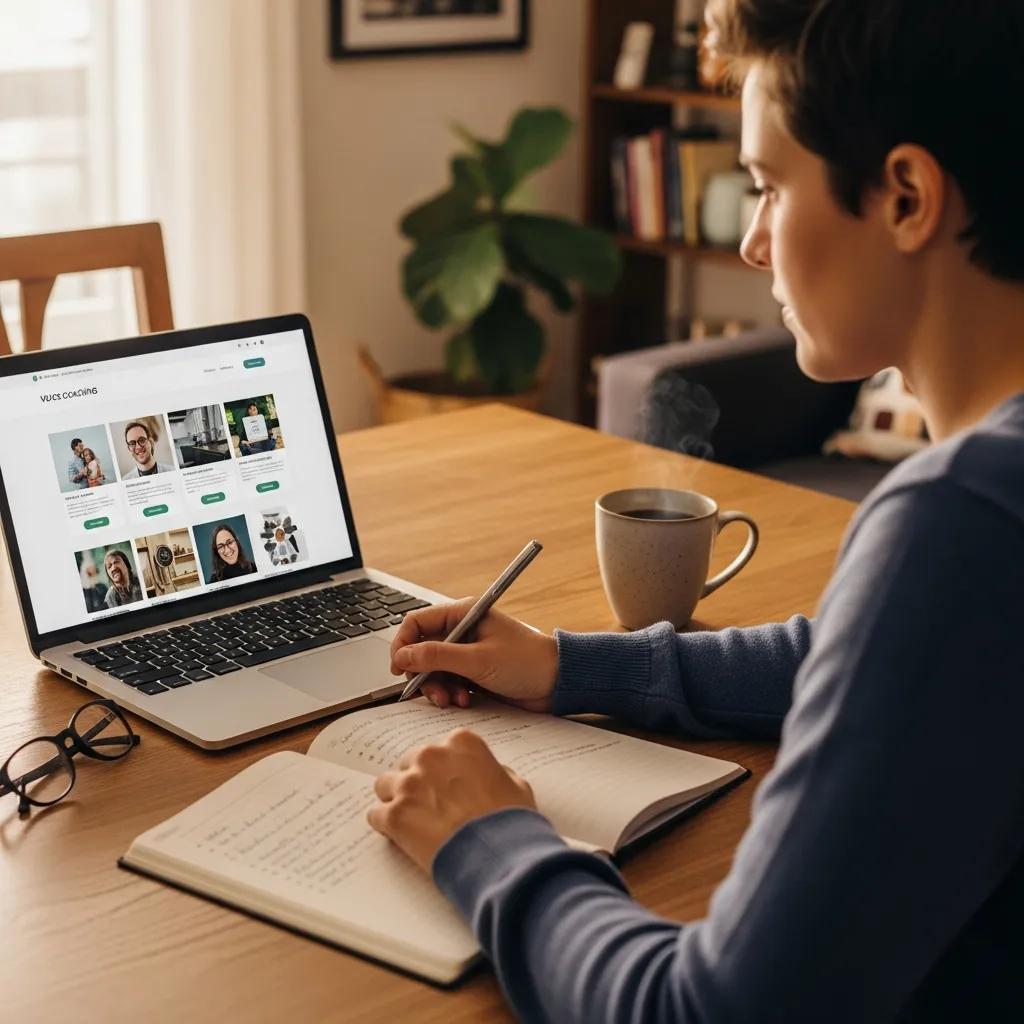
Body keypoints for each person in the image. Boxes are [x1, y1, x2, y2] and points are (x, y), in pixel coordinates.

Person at [366, 2, 1024, 1020]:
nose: (755, 241)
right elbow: (872, 654)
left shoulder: (961, 519)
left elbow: (704, 1012)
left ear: (904, 196)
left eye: (767, 185)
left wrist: (485, 837)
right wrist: (570, 666)